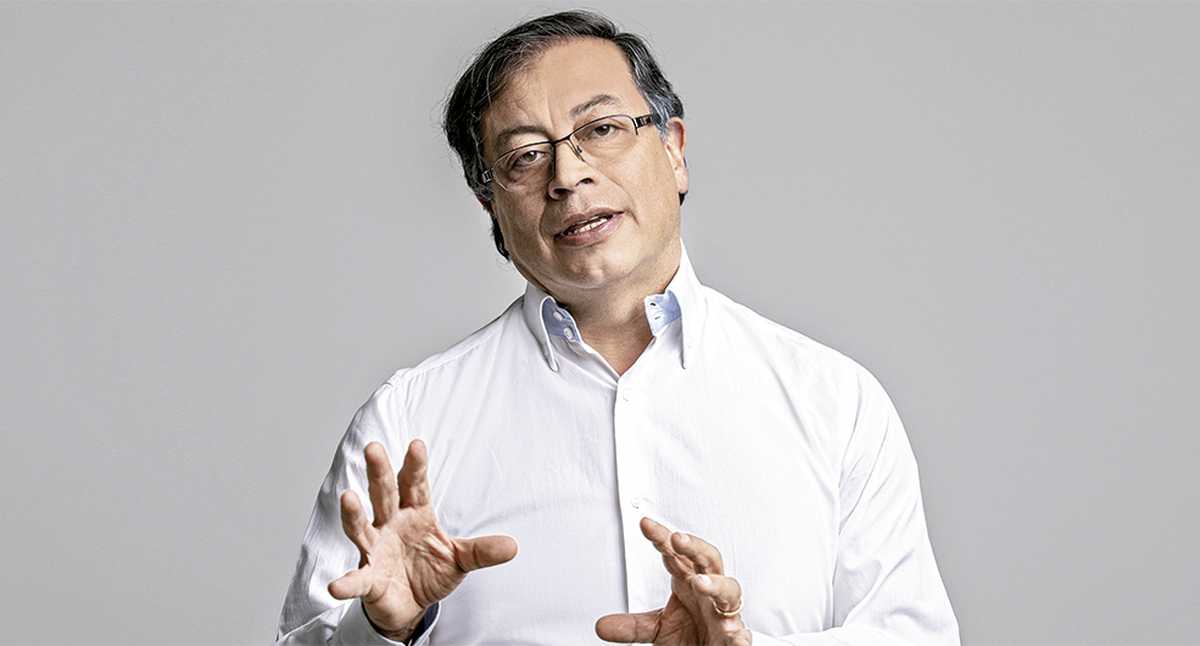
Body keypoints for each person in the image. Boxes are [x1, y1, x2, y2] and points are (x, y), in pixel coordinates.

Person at [275, 9, 960, 646]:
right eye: (524, 156)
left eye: (600, 130)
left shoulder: (834, 401)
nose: (567, 175)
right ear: (490, 205)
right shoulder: (407, 423)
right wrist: (382, 627)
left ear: (674, 149)